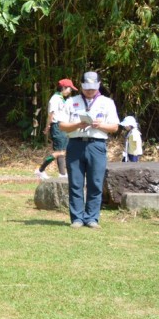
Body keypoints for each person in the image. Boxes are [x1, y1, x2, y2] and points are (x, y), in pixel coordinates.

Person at [58, 71, 119, 229]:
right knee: (75, 183)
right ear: (82, 86)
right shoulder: (72, 101)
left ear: (98, 85)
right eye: (87, 88)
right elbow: (62, 125)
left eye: (93, 88)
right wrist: (77, 124)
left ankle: (92, 218)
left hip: (97, 145)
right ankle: (77, 218)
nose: (90, 91)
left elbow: (114, 127)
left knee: (95, 182)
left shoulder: (107, 102)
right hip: (76, 144)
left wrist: (100, 125)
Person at [35, 78, 77, 179]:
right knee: (59, 152)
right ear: (63, 88)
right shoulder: (55, 99)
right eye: (69, 88)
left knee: (62, 151)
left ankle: (62, 174)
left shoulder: (62, 98)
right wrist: (47, 126)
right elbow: (51, 114)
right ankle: (40, 170)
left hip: (64, 126)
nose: (70, 91)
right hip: (57, 126)